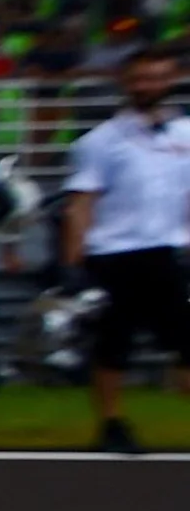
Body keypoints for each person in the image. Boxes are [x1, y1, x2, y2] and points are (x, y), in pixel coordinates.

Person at [57, 41, 190, 452]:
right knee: (114, 343)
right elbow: (81, 203)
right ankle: (112, 423)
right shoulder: (102, 140)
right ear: (125, 83)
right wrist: (73, 264)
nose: (146, 85)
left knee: (184, 341)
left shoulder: (185, 133)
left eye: (155, 77)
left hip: (169, 248)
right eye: (139, 78)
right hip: (116, 253)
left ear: (171, 80)